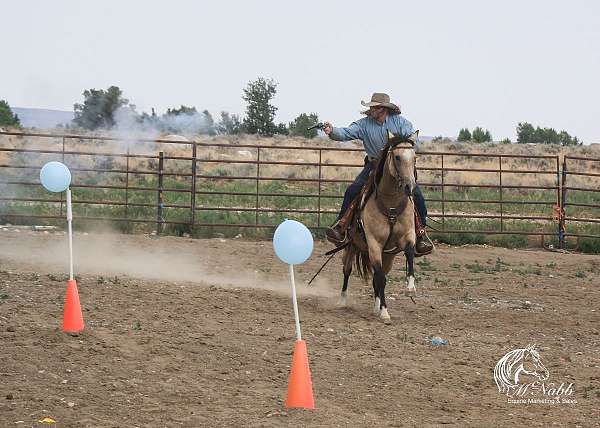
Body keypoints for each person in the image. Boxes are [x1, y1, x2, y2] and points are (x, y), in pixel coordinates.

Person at [324, 92, 433, 255]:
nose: (371, 110)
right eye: (371, 107)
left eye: (374, 107)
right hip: (375, 165)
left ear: (383, 109)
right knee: (353, 189)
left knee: (416, 194)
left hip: (398, 166)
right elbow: (346, 133)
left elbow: (412, 138)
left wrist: (404, 146)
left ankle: (420, 233)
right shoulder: (364, 124)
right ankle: (342, 226)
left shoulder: (400, 123)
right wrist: (332, 130)